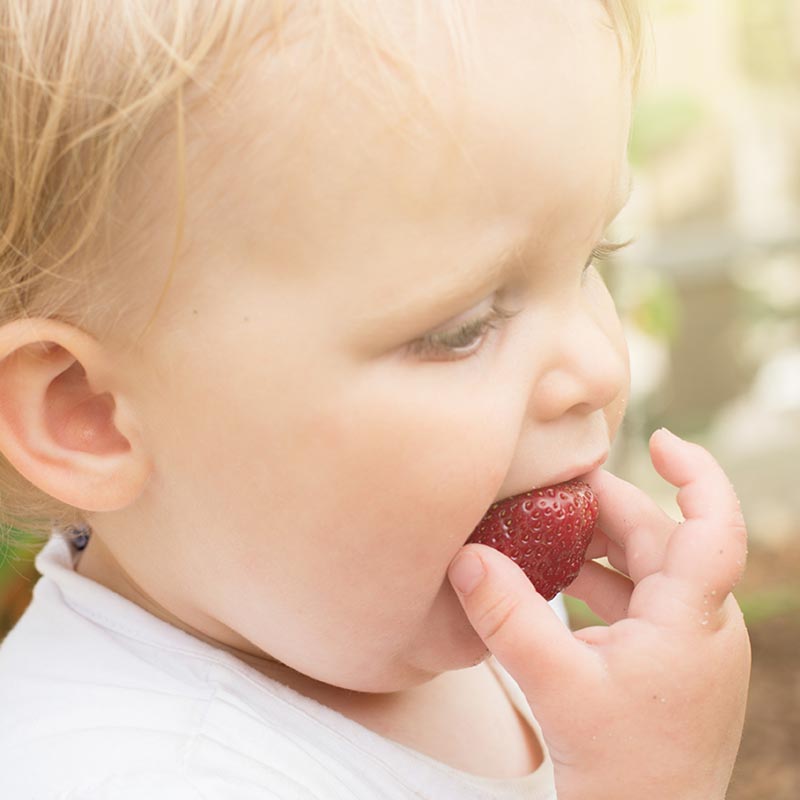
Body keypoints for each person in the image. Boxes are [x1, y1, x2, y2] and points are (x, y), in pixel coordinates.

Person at [0, 2, 751, 798]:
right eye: (462, 328)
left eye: (593, 254)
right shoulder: (126, 772)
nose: (597, 367)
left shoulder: (411, 602)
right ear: (90, 414)